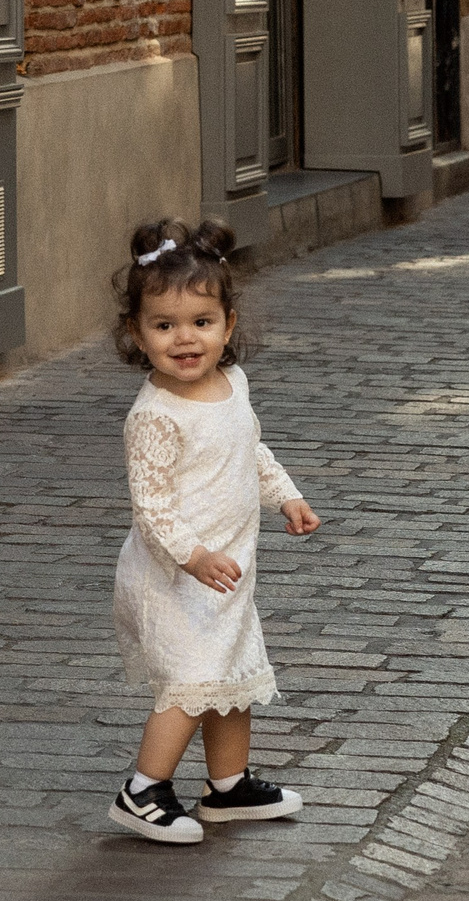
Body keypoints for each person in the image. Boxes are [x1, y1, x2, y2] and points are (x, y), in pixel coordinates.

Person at [107, 218, 322, 844]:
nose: (185, 339)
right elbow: (151, 509)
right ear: (136, 333)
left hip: (226, 572)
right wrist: (193, 556)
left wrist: (286, 493)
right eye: (164, 325)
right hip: (176, 575)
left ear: (228, 325)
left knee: (229, 675)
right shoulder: (155, 415)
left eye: (201, 323)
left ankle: (227, 786)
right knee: (191, 680)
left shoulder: (234, 385)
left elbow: (248, 450)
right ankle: (142, 789)